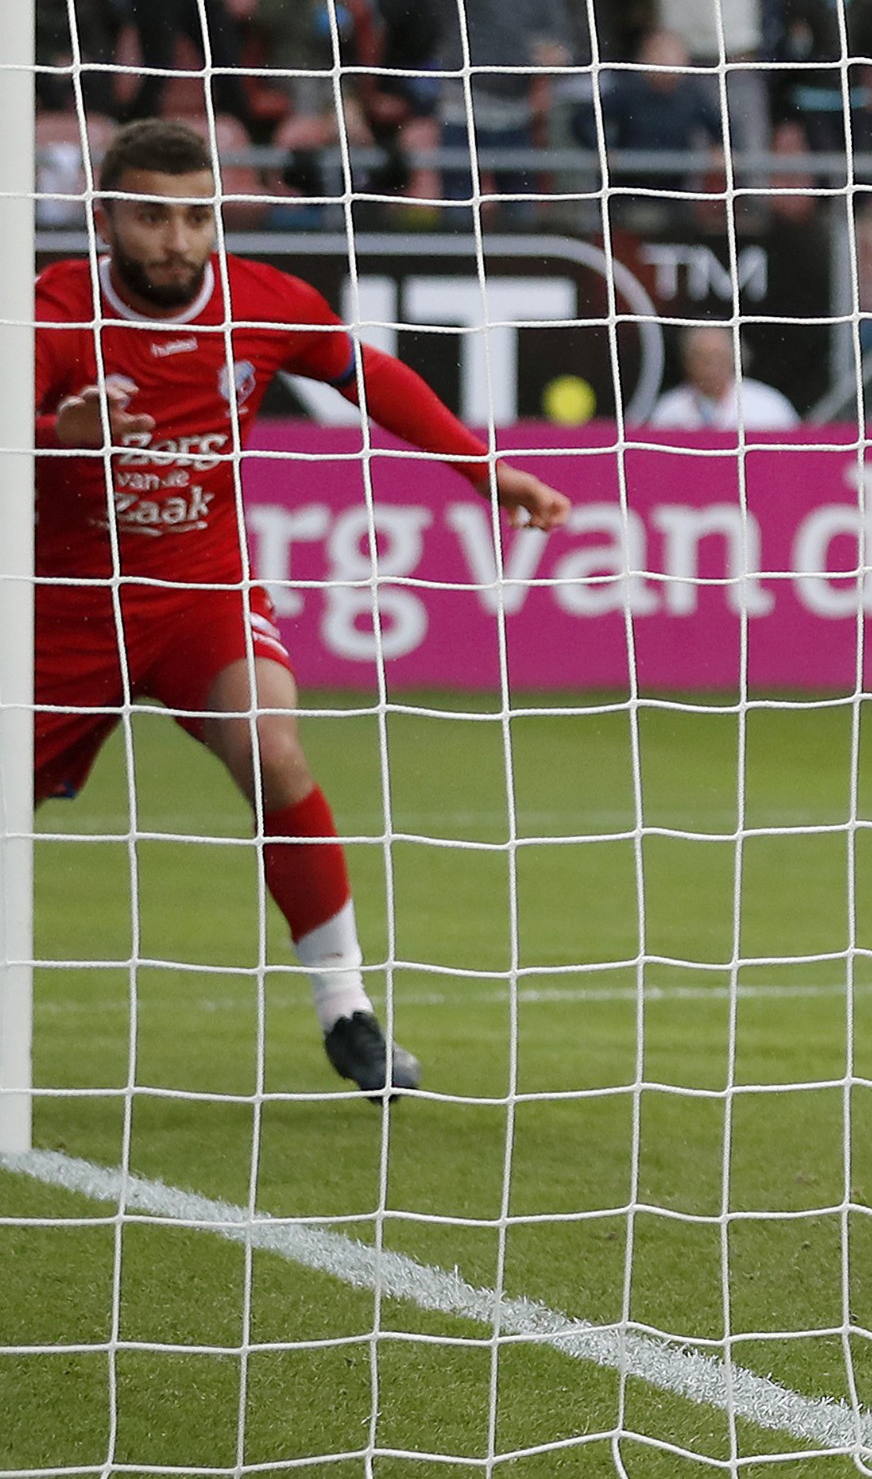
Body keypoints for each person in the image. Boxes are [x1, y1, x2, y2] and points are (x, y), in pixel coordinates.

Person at [34, 121, 571, 1099]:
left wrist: (483, 471)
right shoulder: (53, 310)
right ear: (104, 216)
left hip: (201, 592)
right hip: (61, 609)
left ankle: (347, 1009)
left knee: (272, 747)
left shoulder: (265, 303)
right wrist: (54, 431)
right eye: (151, 216)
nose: (178, 239)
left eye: (198, 216)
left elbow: (371, 379)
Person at [649, 323, 802, 431]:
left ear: (736, 359)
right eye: (702, 358)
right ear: (687, 361)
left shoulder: (769, 406)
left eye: (718, 357)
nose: (710, 367)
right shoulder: (668, 409)